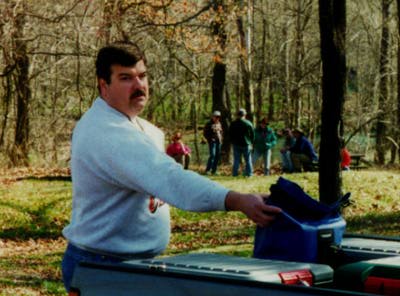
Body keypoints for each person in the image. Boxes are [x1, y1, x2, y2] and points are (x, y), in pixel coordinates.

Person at [61, 43, 281, 292]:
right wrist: (236, 200)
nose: (139, 85)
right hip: (102, 267)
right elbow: (171, 180)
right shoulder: (108, 133)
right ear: (104, 85)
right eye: (125, 78)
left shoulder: (143, 129)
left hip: (131, 266)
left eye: (142, 76)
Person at [229, 108, 255, 177]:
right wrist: (252, 143)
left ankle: (234, 174)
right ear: (244, 115)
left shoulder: (233, 123)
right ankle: (249, 174)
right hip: (246, 144)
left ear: (237, 115)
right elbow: (252, 134)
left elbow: (230, 134)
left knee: (236, 160)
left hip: (236, 144)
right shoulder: (248, 123)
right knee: (248, 160)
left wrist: (232, 142)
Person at [203, 110, 223, 175]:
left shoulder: (219, 123)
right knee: (212, 155)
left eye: (218, 117)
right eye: (216, 116)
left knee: (217, 156)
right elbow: (205, 133)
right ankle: (207, 170)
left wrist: (221, 137)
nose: (217, 118)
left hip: (218, 142)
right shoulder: (208, 124)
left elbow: (221, 132)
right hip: (212, 142)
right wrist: (210, 139)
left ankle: (214, 171)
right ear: (213, 117)